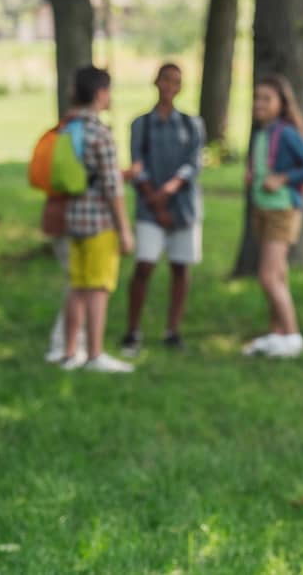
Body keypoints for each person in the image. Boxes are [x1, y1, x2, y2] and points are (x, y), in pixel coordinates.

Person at [119, 63, 205, 355]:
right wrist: (154, 200)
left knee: (180, 267)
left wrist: (168, 191)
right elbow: (137, 163)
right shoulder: (141, 125)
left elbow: (192, 164)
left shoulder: (191, 125)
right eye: (165, 79)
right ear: (156, 82)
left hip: (182, 208)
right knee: (145, 264)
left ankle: (173, 330)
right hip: (149, 208)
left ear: (181, 87)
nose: (169, 86)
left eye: (176, 81)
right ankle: (132, 330)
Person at [59, 65, 136, 373]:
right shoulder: (100, 133)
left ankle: (68, 354)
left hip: (73, 218)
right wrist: (125, 229)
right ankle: (94, 354)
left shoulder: (68, 128)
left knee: (77, 287)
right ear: (101, 93)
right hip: (99, 223)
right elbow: (112, 186)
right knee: (98, 288)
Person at [241, 74, 303, 358]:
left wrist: (282, 178)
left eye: (266, 99)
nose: (259, 104)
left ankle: (292, 336)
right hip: (263, 208)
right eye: (256, 98)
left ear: (281, 103)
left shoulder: (286, 132)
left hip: (282, 209)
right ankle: (277, 334)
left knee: (267, 276)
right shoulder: (263, 132)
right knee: (277, 274)